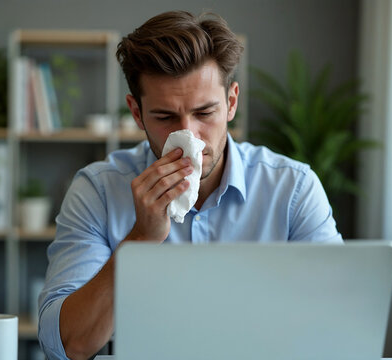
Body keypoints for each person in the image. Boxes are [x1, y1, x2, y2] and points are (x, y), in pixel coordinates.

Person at [38, 10, 342, 360]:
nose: (188, 137)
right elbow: (67, 346)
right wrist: (140, 239)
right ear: (136, 113)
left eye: (204, 113)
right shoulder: (98, 191)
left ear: (231, 102)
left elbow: (338, 326)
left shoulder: (292, 190)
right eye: (165, 117)